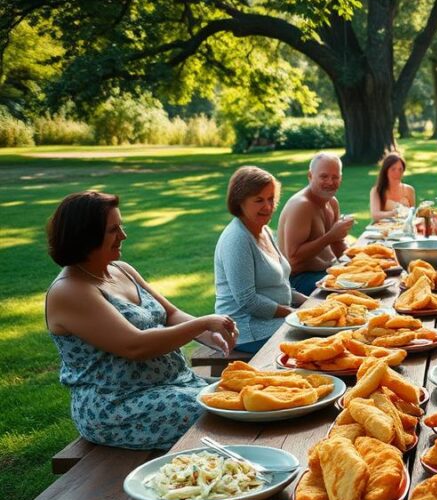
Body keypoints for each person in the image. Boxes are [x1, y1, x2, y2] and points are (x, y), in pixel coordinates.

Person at [44, 191, 237, 450]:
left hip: (175, 385)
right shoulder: (70, 291)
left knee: (244, 396)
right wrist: (202, 323)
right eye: (113, 230)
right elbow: (135, 346)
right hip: (120, 404)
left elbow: (170, 314)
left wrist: (209, 335)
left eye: (121, 226)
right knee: (227, 415)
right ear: (85, 235)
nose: (123, 235)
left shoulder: (122, 270)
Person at [215, 166, 306, 353]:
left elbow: (279, 284)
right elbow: (248, 301)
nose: (268, 206)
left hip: (273, 321)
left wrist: (309, 302)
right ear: (240, 202)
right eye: (259, 200)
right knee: (318, 338)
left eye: (271, 199)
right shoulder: (237, 239)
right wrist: (292, 313)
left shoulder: (263, 230)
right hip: (248, 330)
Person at [277, 152, 354, 294]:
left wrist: (359, 262)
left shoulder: (332, 202)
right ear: (310, 176)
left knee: (372, 281)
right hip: (299, 280)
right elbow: (293, 259)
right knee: (354, 293)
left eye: (335, 177)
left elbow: (338, 245)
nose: (330, 182)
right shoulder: (302, 206)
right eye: (324, 176)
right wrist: (330, 236)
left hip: (327, 271)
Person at [370, 152, 416, 221]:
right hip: (383, 229)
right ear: (385, 171)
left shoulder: (409, 190)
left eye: (400, 169)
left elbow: (413, 214)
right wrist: (394, 213)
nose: (397, 173)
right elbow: (375, 215)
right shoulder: (377, 191)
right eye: (393, 169)